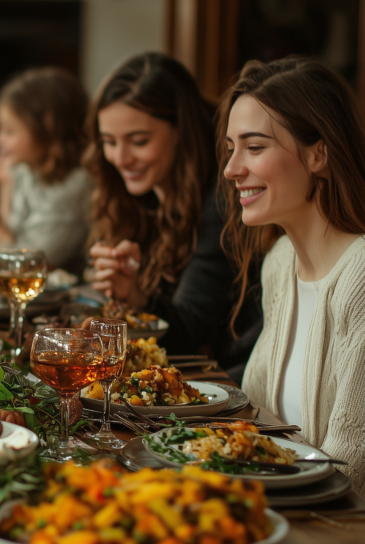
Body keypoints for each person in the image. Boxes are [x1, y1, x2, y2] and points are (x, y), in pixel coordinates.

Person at [221, 57, 365, 493]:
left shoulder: (360, 278)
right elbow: (262, 426)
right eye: (231, 148)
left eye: (255, 147)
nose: (231, 169)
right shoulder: (281, 262)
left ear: (319, 153)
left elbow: (350, 466)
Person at [85, 52, 261, 380]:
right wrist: (129, 290)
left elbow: (191, 335)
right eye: (109, 142)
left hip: (221, 384)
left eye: (139, 141)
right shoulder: (137, 193)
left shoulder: (225, 198)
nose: (120, 158)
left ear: (181, 129)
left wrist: (138, 296)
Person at [0, 67, 93, 272]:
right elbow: (3, 245)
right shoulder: (27, 168)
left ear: (48, 132)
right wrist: (6, 186)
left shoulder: (74, 186)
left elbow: (27, 267)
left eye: (9, 131)